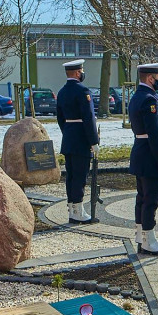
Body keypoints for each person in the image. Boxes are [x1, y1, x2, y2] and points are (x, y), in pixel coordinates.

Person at [129, 62, 158, 255]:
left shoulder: (137, 96)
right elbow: (154, 135)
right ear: (150, 78)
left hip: (140, 152)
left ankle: (141, 236)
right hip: (150, 155)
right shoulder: (150, 100)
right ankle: (148, 240)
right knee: (151, 199)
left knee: (142, 197)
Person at [56, 59, 100, 222]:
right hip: (82, 140)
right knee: (80, 176)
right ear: (77, 73)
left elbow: (60, 118)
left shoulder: (62, 92)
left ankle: (72, 210)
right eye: (81, 71)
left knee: (71, 176)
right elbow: (88, 118)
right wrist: (93, 142)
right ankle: (79, 212)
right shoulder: (83, 91)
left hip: (68, 139)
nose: (82, 73)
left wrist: (68, 133)